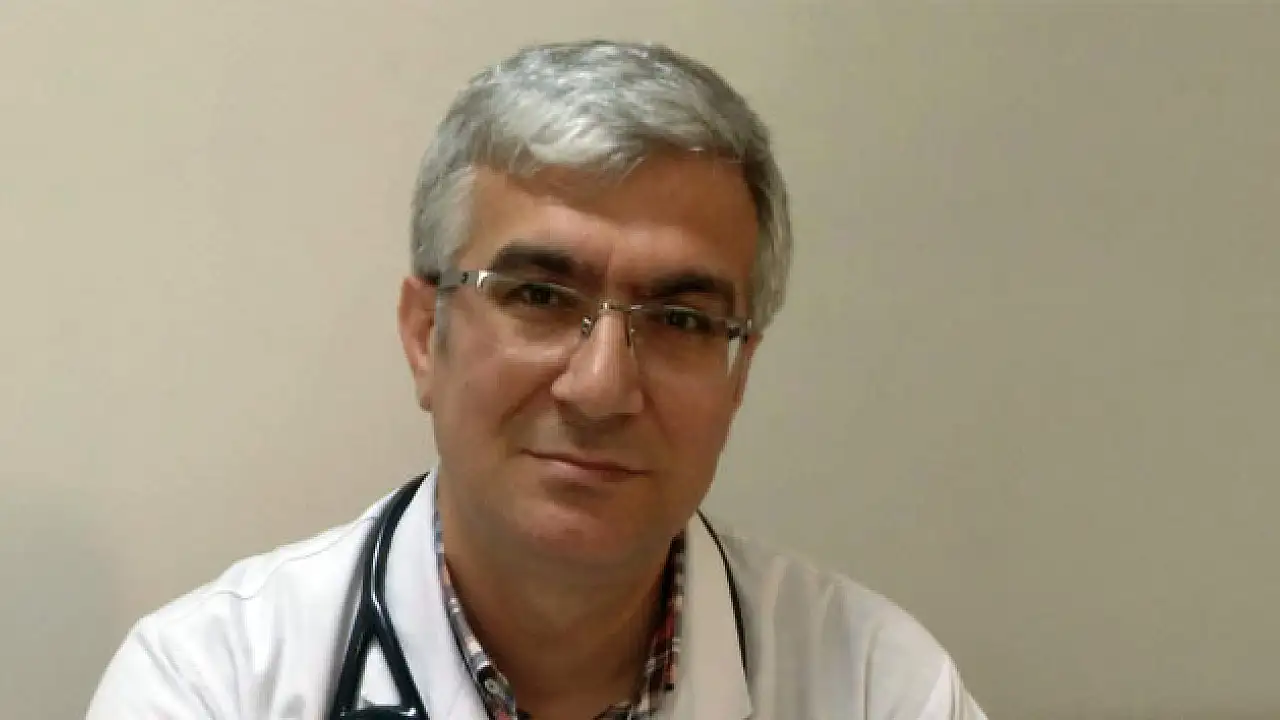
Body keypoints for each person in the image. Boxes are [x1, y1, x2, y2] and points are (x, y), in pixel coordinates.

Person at [86, 39, 987, 719]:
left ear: (739, 370)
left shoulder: (884, 689)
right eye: (540, 297)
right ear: (423, 337)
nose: (601, 388)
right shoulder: (210, 685)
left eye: (680, 319)